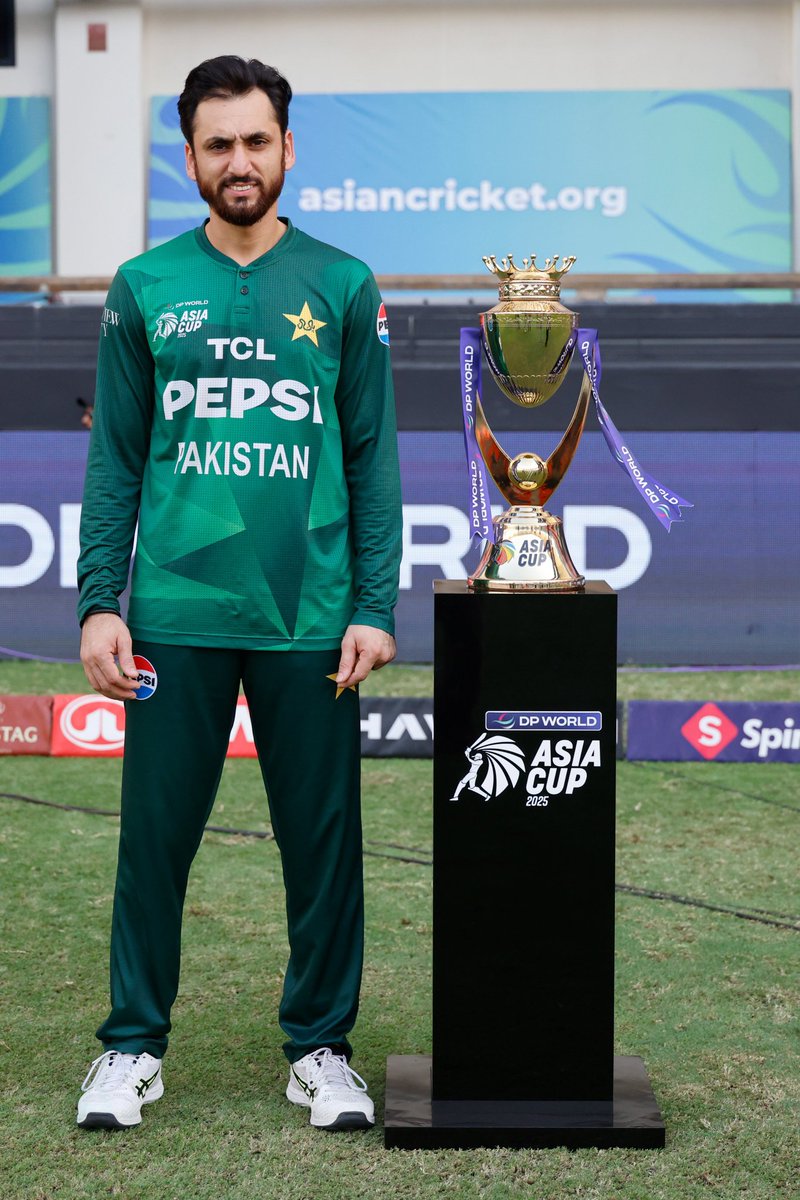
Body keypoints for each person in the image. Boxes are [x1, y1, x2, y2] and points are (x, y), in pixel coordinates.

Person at [75, 55, 402, 1133]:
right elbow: (117, 460)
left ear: (287, 148)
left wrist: (372, 604)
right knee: (153, 843)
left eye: (256, 141)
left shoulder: (343, 285)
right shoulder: (146, 286)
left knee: (323, 843)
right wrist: (98, 602)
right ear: (191, 159)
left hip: (310, 619)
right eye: (218, 145)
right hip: (173, 611)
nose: (239, 162)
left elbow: (371, 457)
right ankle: (130, 1048)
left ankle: (321, 1048)